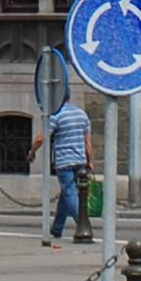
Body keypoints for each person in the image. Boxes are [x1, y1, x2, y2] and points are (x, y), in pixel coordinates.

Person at [43, 90, 92, 242]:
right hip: (80, 161)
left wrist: (32, 152)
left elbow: (42, 137)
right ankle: (57, 228)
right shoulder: (82, 114)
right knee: (66, 195)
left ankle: (84, 225)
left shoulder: (56, 115)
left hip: (64, 162)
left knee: (70, 194)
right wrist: (90, 161)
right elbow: (88, 142)